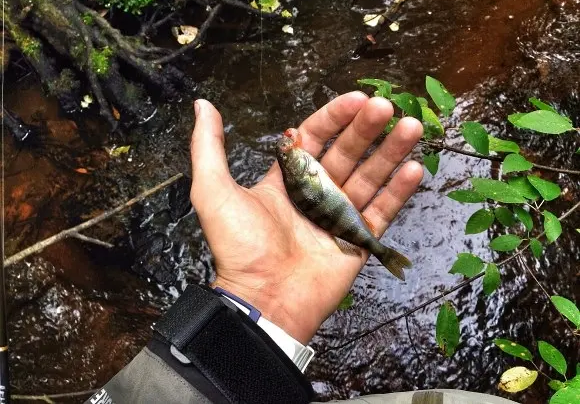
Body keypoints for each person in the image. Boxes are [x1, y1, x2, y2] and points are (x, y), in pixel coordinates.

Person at [86, 93, 515, 404]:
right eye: (288, 156)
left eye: (288, 155)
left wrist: (258, 308)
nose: (289, 153)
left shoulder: (303, 171)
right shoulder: (301, 169)